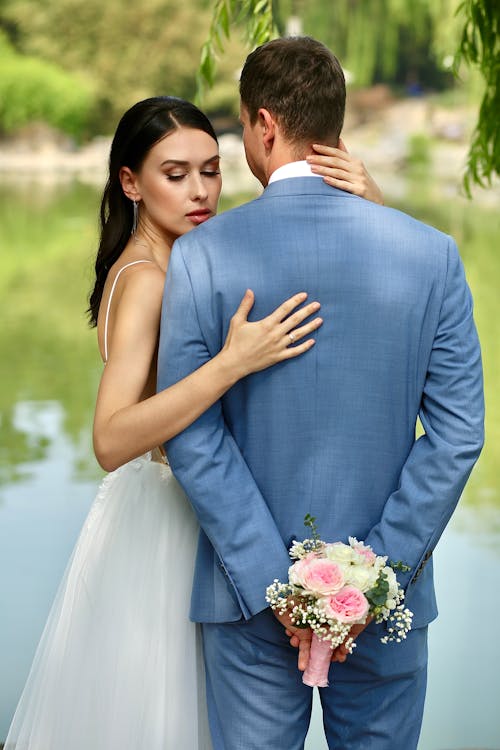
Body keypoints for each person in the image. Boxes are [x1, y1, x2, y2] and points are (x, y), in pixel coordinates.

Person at [4, 95, 382, 750]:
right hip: (168, 523)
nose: (201, 191)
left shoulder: (189, 256)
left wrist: (371, 205)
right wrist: (230, 365)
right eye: (174, 175)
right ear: (130, 182)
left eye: (211, 170)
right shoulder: (149, 276)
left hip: (195, 512)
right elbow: (110, 437)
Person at [158, 37, 484, 750]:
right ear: (336, 122)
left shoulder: (200, 256)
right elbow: (459, 434)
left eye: (241, 126)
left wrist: (278, 584)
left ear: (265, 126)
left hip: (246, 602)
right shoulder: (432, 254)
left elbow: (191, 431)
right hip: (386, 610)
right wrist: (369, 583)